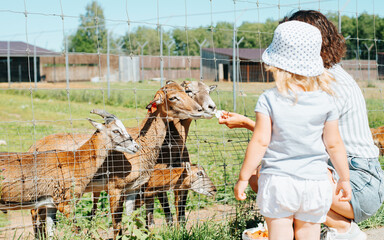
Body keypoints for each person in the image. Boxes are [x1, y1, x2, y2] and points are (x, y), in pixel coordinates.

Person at [221, 10, 384, 240]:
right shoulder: (324, 86)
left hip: (359, 181)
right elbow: (331, 142)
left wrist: (243, 174)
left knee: (266, 176)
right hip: (333, 177)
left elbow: (291, 137)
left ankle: (345, 231)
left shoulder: (327, 86)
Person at [234, 20, 352, 240]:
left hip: (279, 182)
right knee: (309, 234)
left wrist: (243, 178)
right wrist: (344, 178)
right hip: (315, 183)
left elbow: (260, 142)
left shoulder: (269, 99)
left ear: (275, 64)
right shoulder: (326, 102)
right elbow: (334, 144)